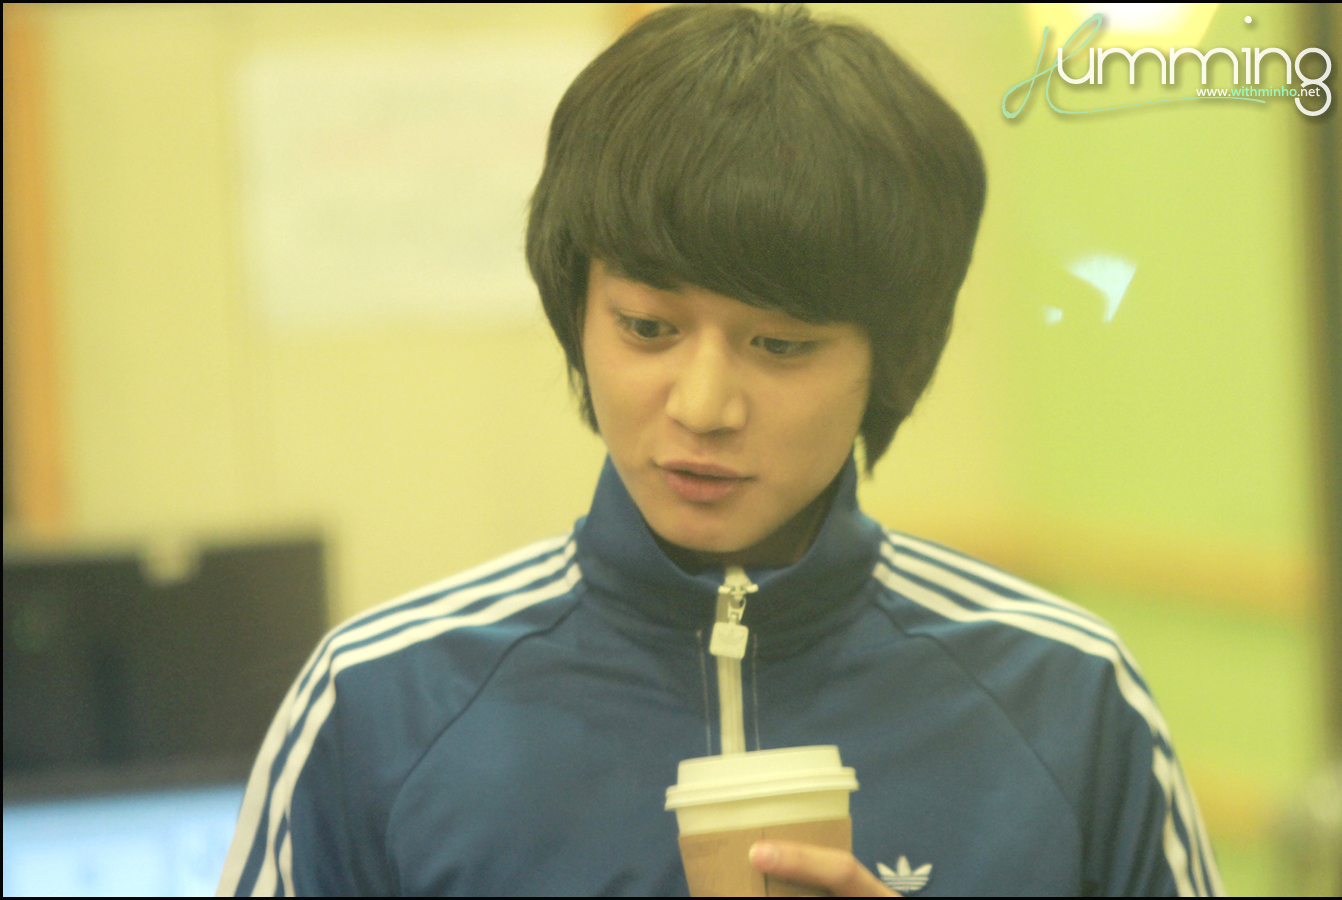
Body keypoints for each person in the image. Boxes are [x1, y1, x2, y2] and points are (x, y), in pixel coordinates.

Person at [218, 4, 1222, 896]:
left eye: (780, 345)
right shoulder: (380, 703)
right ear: (577, 314)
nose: (702, 406)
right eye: (648, 327)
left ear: (893, 357)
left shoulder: (1067, 697)